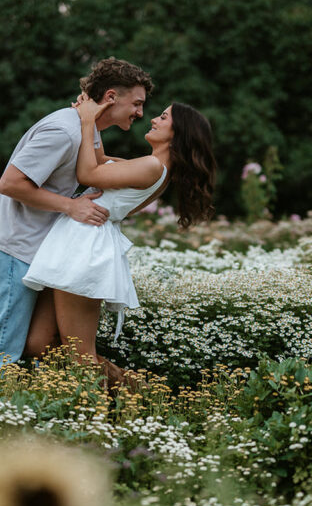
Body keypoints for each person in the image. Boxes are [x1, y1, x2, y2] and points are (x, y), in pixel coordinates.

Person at [0, 57, 154, 384]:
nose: (140, 113)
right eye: (137, 103)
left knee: (32, 347)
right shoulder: (63, 130)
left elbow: (101, 165)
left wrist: (159, 167)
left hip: (33, 251)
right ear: (111, 96)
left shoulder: (87, 130)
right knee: (1, 348)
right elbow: (11, 184)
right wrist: (71, 207)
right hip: (13, 250)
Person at [21, 94, 217, 373]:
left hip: (84, 245)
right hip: (76, 238)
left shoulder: (151, 167)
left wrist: (87, 120)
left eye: (163, 117)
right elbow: (98, 159)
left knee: (79, 353)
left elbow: (88, 174)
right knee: (39, 344)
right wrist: (95, 120)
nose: (152, 118)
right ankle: (129, 385)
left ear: (179, 134)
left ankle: (100, 411)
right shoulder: (150, 165)